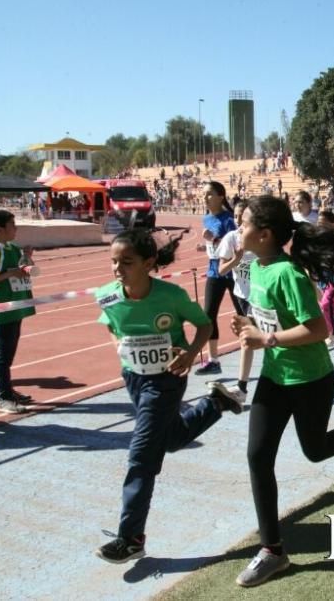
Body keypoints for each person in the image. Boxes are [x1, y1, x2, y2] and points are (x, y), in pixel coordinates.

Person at [231, 195, 334, 587]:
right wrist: (249, 333)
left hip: (311, 379)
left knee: (315, 450)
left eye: (245, 222)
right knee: (257, 457)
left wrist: (266, 338)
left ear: (265, 234)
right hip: (275, 378)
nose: (239, 227)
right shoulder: (257, 267)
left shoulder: (287, 273)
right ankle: (273, 551)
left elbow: (318, 330)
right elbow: (263, 323)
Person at [94, 228, 243, 565]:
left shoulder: (170, 296)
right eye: (114, 262)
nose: (117, 269)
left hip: (167, 379)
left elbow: (204, 326)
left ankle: (131, 537)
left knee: (141, 455)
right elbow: (110, 325)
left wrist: (190, 355)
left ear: (148, 263)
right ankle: (216, 403)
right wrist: (117, 345)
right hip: (133, 378)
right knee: (171, 439)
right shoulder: (107, 295)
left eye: (126, 262)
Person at [0, 210, 37, 414]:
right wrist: (8, 273)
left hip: (16, 306)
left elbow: (25, 269)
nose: (16, 227)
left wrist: (27, 258)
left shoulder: (12, 247)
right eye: (12, 224)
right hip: (2, 308)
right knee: (4, 354)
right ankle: (3, 396)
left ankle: (7, 390)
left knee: (9, 352)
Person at [195, 181, 243, 375]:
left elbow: (237, 244)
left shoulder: (230, 219)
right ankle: (213, 360)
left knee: (244, 314)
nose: (205, 198)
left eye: (209, 194)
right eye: (203, 194)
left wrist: (213, 239)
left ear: (221, 196)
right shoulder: (206, 218)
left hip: (233, 272)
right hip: (214, 271)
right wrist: (205, 246)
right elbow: (214, 246)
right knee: (208, 316)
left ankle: (260, 347)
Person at [217, 201, 256, 398]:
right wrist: (236, 260)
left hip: (260, 298)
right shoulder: (231, 238)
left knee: (249, 340)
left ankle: (241, 386)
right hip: (242, 296)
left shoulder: (259, 238)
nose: (239, 220)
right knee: (248, 339)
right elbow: (221, 270)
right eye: (236, 216)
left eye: (243, 216)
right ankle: (242, 386)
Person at [315, 211, 334, 344]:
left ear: (331, 224)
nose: (320, 225)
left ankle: (331, 333)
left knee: (326, 303)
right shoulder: (316, 237)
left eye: (324, 223)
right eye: (319, 223)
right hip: (322, 277)